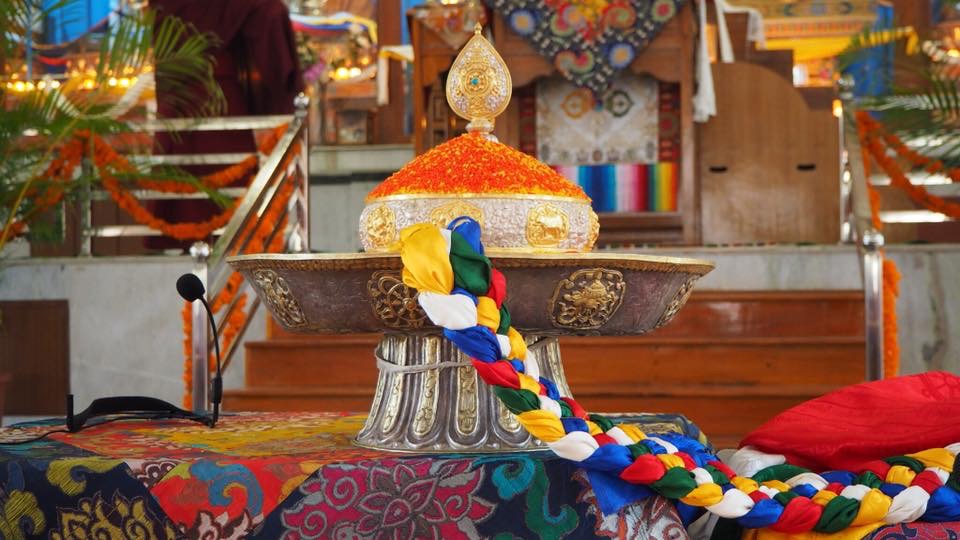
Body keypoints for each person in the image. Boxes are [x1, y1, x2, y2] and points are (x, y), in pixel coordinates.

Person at [147, 0, 304, 252]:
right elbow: (269, 11)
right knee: (219, 189)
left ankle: (207, 247)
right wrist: (283, 88)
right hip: (214, 97)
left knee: (205, 193)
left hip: (182, 96)